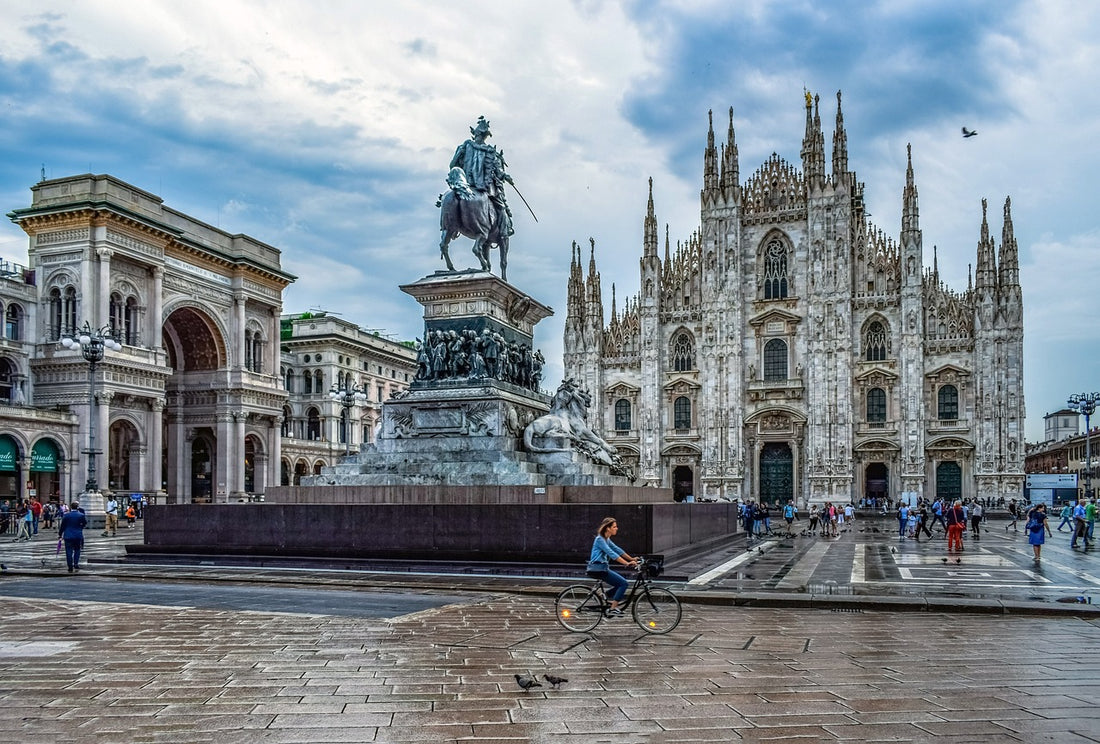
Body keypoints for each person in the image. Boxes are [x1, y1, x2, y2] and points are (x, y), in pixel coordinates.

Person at [450, 116, 515, 241]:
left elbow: (453, 165)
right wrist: (506, 177)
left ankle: (451, 228)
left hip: (466, 185)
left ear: (475, 133)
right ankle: (504, 232)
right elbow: (498, 170)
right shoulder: (489, 151)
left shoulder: (466, 146)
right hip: (483, 186)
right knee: (501, 207)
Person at [586, 517, 638, 616]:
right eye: (614, 527)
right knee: (623, 584)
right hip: (598, 569)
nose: (616, 528)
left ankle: (604, 596)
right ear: (608, 528)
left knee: (620, 583)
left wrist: (632, 559)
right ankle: (613, 608)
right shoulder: (599, 539)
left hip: (602, 568)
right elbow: (612, 554)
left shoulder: (606, 539)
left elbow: (617, 550)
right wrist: (626, 563)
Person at [58, 501, 87, 573]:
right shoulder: (81, 515)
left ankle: (70, 566)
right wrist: (80, 528)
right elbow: (84, 523)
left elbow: (62, 526)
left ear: (71, 507)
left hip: (68, 535)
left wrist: (60, 534)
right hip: (78, 535)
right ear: (77, 507)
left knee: (68, 551)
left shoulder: (66, 515)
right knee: (77, 550)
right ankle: (76, 563)